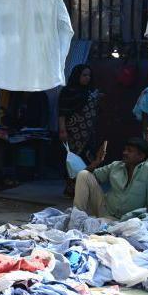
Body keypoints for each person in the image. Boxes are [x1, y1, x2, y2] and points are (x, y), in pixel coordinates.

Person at [73, 137, 148, 220]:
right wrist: (96, 162)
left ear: (141, 156)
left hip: (129, 220)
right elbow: (87, 178)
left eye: (129, 151)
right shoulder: (116, 165)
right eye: (125, 149)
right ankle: (77, 218)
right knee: (83, 174)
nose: (124, 153)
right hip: (105, 212)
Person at [59, 64, 100, 197]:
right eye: (84, 75)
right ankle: (71, 188)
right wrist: (62, 130)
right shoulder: (68, 91)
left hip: (88, 133)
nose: (87, 78)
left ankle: (83, 189)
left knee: (88, 158)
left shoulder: (91, 91)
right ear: (77, 76)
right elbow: (62, 112)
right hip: (73, 133)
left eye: (89, 75)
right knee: (73, 160)